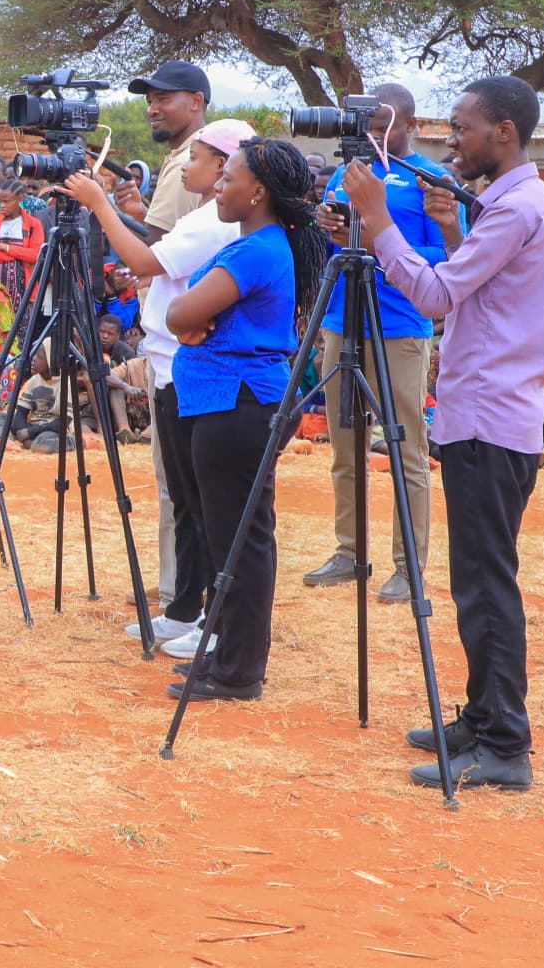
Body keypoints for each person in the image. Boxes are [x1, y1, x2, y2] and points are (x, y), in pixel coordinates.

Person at [337, 75, 544, 792]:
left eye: (463, 128)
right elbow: (483, 288)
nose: (451, 142)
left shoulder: (515, 208)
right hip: (492, 414)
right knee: (477, 581)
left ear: (504, 132)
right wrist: (444, 233)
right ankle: (480, 715)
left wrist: (378, 220)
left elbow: (437, 295)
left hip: (490, 420)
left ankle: (504, 744)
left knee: (485, 586)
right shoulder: (512, 204)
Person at [65, 118, 252, 652]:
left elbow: (147, 257)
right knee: (189, 501)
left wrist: (100, 205)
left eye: (195, 158)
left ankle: (211, 621)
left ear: (223, 166)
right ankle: (185, 607)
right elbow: (163, 260)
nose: (186, 167)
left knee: (199, 501)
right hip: (174, 367)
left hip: (187, 372)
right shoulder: (206, 216)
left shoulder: (213, 219)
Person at [154, 138, 322, 705]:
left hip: (238, 403)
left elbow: (180, 311)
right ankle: (229, 658)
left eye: (230, 179)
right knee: (235, 536)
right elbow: (189, 315)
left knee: (240, 541)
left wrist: (191, 320)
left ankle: (237, 670)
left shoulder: (256, 250)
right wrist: (194, 321)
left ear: (258, 192)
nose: (219, 188)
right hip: (226, 399)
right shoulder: (261, 243)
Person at [303, 83, 447, 607]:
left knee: (406, 449)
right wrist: (330, 229)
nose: (369, 131)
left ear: (407, 123)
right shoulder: (347, 174)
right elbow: (337, 242)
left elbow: (442, 252)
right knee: (346, 449)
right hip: (343, 319)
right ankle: (349, 551)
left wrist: (384, 235)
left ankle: (410, 567)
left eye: (381, 121)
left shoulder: (429, 178)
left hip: (400, 327)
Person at [129, 61, 212, 239]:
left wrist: (100, 205)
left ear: (196, 102)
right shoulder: (198, 154)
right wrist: (140, 213)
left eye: (163, 99)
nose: (151, 110)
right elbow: (176, 235)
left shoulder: (186, 163)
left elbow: (154, 257)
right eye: (150, 101)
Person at [0, 180, 44, 299]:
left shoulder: (33, 224)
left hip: (24, 295)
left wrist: (6, 247)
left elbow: (36, 256)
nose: (2, 205)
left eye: (6, 202)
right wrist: (21, 254)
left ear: (19, 199)